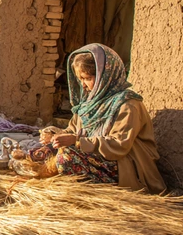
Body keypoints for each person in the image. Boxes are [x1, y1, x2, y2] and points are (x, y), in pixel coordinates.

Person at [41, 44, 166, 193]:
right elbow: (73, 130)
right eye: (80, 79)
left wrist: (77, 141)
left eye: (87, 78)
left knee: (66, 158)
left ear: (105, 75)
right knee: (41, 154)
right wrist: (55, 135)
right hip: (95, 159)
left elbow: (119, 145)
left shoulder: (128, 104)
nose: (83, 85)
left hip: (123, 166)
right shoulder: (89, 103)